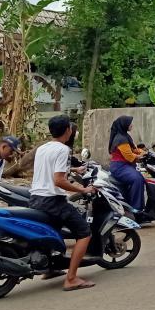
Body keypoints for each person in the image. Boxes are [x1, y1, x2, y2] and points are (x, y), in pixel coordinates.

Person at [29, 115, 96, 291]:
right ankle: (71, 278)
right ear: (68, 130)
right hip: (53, 200)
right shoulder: (63, 150)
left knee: (54, 232)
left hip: (35, 198)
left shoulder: (42, 148)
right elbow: (58, 180)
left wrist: (73, 169)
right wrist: (83, 190)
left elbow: (52, 169)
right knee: (84, 233)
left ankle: (51, 268)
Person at [107, 116, 146, 214]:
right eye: (129, 123)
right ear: (124, 125)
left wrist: (145, 152)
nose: (131, 125)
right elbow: (129, 156)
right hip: (119, 167)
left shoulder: (125, 136)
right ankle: (136, 209)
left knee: (138, 177)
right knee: (137, 179)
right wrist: (140, 156)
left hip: (125, 166)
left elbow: (134, 149)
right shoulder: (121, 139)